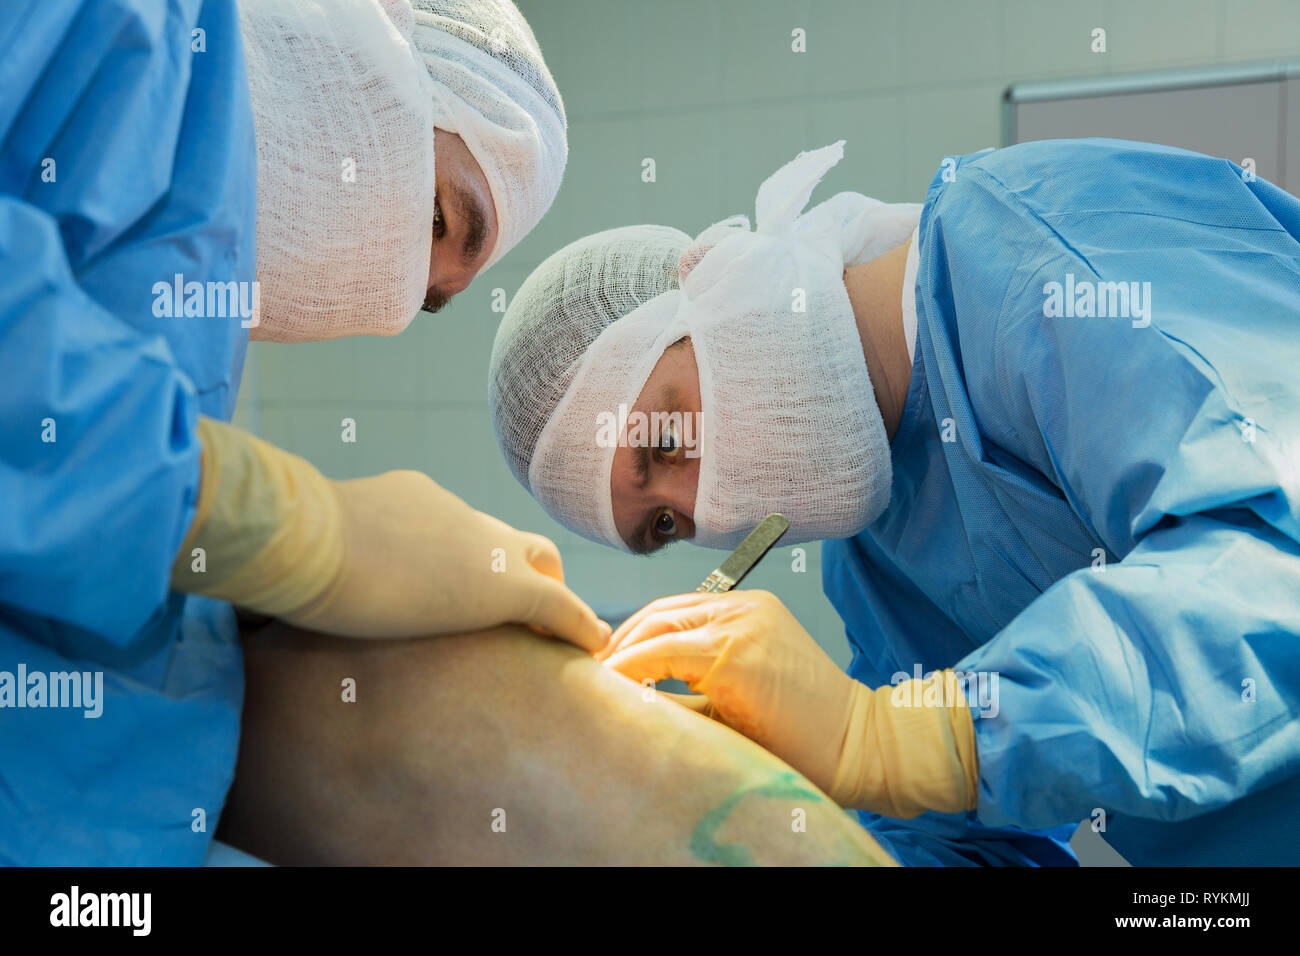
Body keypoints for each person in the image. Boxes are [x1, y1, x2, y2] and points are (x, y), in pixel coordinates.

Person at [486, 139, 1300, 865]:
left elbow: (1275, 567)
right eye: (663, 525)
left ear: (718, 283)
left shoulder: (1038, 251)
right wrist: (760, 819)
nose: (709, 507)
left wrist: (905, 736)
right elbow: (970, 840)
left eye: (664, 441)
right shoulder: (878, 565)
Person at [0, 0, 595, 866]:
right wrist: (299, 532)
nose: (396, 296)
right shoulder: (126, 21)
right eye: (434, 218)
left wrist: (251, 599)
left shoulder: (185, 317)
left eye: (429, 302)